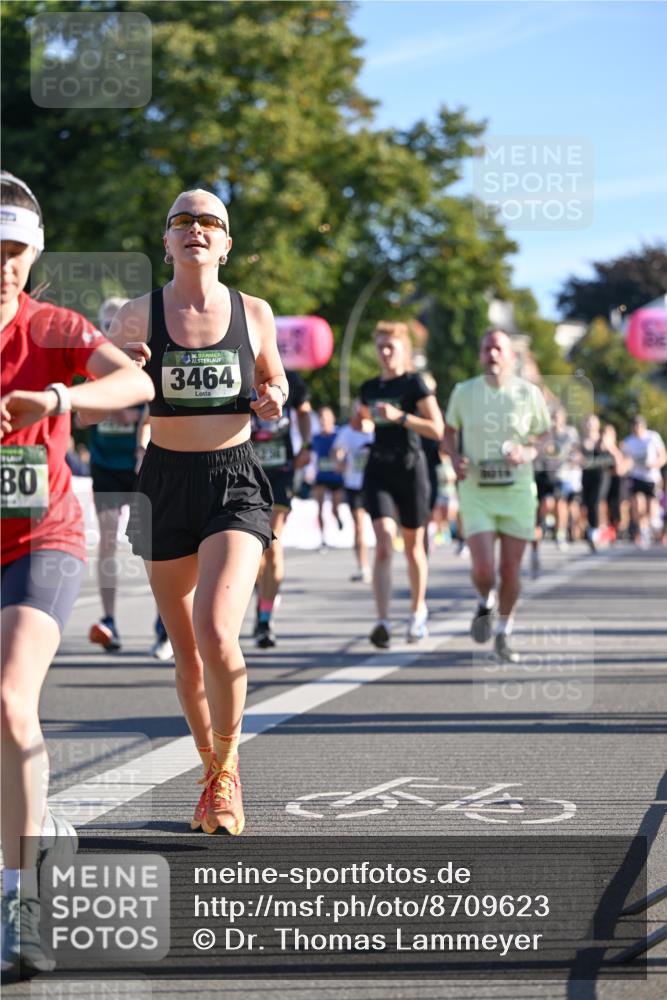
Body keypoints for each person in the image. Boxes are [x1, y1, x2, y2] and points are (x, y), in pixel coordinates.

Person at [0, 171, 154, 977]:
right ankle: (35, 827)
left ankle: (19, 906)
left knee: (7, 697)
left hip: (42, 538)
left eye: (16, 250)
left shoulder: (50, 324)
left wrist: (55, 397)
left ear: (33, 255)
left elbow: (137, 381)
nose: (3, 264)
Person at [116, 188, 286, 836]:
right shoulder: (137, 313)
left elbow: (275, 379)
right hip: (164, 483)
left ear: (225, 242)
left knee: (218, 632)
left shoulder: (255, 311)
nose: (195, 228)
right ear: (166, 241)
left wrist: (272, 395)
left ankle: (227, 773)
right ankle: (210, 768)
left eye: (208, 221)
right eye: (181, 220)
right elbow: (106, 384)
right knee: (187, 654)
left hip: (234, 479)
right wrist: (124, 367)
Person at [443, 329, 551, 663]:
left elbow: (545, 436)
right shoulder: (464, 392)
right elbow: (448, 432)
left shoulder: (527, 394)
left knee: (511, 569)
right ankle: (485, 601)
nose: (492, 354)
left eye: (498, 349)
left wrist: (529, 453)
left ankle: (504, 632)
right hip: (476, 491)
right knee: (485, 568)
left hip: (517, 492)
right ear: (480, 354)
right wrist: (454, 456)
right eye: (487, 348)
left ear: (511, 356)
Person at [359, 322, 444, 647]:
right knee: (382, 543)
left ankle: (418, 611)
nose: (384, 352)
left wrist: (400, 417)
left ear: (404, 350)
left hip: (411, 469)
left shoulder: (415, 384)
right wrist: (360, 419)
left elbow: (437, 429)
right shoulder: (368, 387)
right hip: (379, 468)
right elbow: (363, 419)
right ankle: (382, 621)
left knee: (412, 547)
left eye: (390, 346)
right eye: (380, 346)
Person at [251, 368, 312, 647]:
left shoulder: (290, 378)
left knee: (272, 542)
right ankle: (260, 593)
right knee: (252, 548)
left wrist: (307, 446)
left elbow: (304, 412)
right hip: (245, 469)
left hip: (281, 471)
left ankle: (265, 619)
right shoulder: (236, 367)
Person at [333, 399, 374, 583]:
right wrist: (339, 459)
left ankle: (382, 561)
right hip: (354, 484)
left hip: (375, 483)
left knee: (379, 525)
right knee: (358, 526)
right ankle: (363, 566)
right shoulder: (346, 432)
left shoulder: (375, 431)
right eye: (356, 411)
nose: (358, 414)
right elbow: (335, 451)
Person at [622, 415, 667, 548]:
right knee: (638, 505)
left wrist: (656, 464)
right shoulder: (628, 441)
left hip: (651, 477)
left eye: (639, 426)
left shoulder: (653, 437)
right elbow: (625, 460)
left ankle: (653, 525)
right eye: (634, 427)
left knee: (651, 508)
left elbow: (663, 455)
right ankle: (643, 531)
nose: (637, 429)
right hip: (636, 476)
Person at [310, 405, 345, 548]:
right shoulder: (315, 438)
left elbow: (344, 451)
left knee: (334, 509)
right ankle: (323, 538)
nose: (323, 421)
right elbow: (311, 456)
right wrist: (310, 471)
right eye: (320, 419)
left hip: (336, 477)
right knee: (319, 508)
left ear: (332, 419)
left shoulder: (339, 435)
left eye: (325, 418)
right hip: (321, 476)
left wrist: (340, 460)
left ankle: (338, 519)